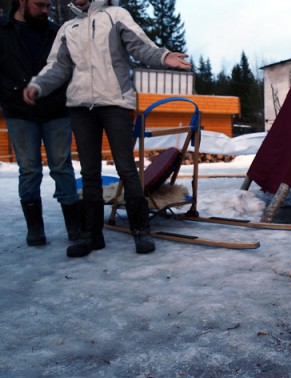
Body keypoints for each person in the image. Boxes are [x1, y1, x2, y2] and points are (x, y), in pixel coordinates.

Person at [23, 0, 192, 257]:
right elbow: (57, 66)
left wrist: (163, 55)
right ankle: (92, 236)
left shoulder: (115, 16)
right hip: (80, 107)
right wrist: (39, 85)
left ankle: (140, 232)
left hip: (116, 104)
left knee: (126, 167)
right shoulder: (68, 28)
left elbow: (139, 45)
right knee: (89, 172)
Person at [0, 0, 81, 247]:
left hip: (55, 110)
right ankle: (35, 228)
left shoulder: (55, 31)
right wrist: (9, 94)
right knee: (29, 170)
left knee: (62, 167)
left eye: (48, 5)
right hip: (19, 112)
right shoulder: (3, 31)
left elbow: (66, 68)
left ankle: (75, 228)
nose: (45, 10)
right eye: (39, 5)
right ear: (22, 1)